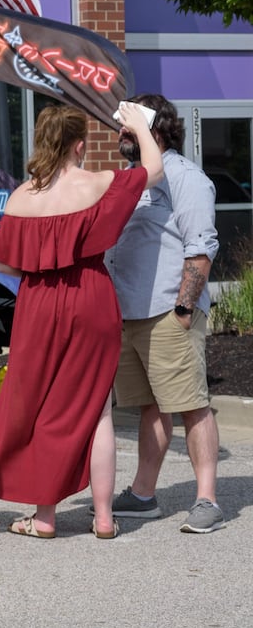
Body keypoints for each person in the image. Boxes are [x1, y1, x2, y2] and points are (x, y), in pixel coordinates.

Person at [0, 104, 162, 537]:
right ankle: (103, 519)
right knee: (97, 410)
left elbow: (9, 269)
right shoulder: (98, 183)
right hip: (92, 297)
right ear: (80, 144)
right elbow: (153, 169)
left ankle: (44, 517)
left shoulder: (22, 197)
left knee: (44, 407)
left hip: (38, 303)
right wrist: (137, 127)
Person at [105, 94, 225, 532]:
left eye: (128, 123)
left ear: (154, 128)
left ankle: (207, 499)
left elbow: (200, 247)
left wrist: (183, 308)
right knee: (152, 407)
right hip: (132, 313)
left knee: (192, 405)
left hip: (168, 312)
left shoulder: (184, 179)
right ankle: (143, 494)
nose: (120, 131)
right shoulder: (134, 178)